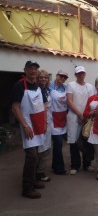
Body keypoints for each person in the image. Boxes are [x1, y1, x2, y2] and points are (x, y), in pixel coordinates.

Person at [11, 60, 47, 199]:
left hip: (38, 123)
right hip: (28, 124)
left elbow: (43, 106)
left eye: (35, 68)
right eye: (30, 68)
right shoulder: (19, 86)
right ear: (25, 70)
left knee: (37, 154)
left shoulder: (38, 86)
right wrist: (25, 125)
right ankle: (27, 187)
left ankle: (33, 180)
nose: (33, 71)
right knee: (31, 155)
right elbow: (15, 108)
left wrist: (44, 123)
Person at [66, 66, 94, 175]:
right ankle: (75, 165)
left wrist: (86, 116)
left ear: (85, 74)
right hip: (74, 117)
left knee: (87, 141)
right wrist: (79, 114)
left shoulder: (90, 87)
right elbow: (69, 101)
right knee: (73, 141)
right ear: (75, 75)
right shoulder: (71, 85)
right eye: (78, 73)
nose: (81, 75)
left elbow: (91, 102)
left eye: (82, 73)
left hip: (87, 117)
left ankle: (87, 164)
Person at [49, 70, 69, 175]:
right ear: (56, 76)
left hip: (63, 118)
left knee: (67, 142)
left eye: (65, 77)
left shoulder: (66, 88)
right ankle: (59, 168)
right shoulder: (50, 85)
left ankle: (54, 165)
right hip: (53, 118)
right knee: (58, 143)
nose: (62, 78)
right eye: (61, 76)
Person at [36, 70, 52, 182]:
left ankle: (40, 171)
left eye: (45, 77)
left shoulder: (46, 90)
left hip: (48, 120)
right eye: (41, 77)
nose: (43, 79)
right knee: (40, 148)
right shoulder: (37, 90)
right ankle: (38, 173)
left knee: (46, 147)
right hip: (41, 121)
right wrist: (44, 123)